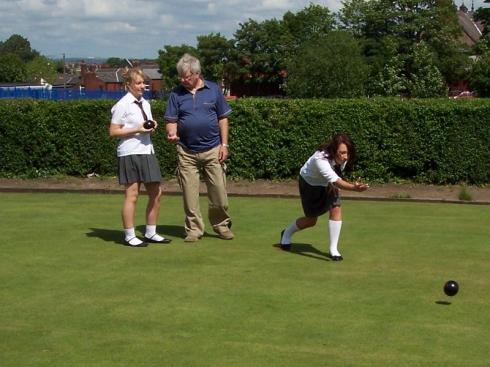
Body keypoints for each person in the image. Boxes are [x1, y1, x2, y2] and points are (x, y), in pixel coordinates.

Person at [164, 54, 233, 243]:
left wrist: (224, 144)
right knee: (189, 194)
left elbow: (223, 118)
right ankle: (194, 229)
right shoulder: (176, 94)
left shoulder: (213, 90)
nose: (182, 80)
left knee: (219, 192)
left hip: (213, 149)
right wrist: (172, 133)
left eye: (186, 76)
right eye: (180, 76)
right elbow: (171, 120)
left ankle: (221, 225)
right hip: (186, 151)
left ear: (197, 73)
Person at [279, 133, 369, 260]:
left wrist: (337, 183)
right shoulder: (319, 158)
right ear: (333, 150)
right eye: (342, 153)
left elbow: (336, 176)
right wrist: (354, 188)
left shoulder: (343, 158)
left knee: (336, 207)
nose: (345, 156)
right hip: (310, 183)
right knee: (311, 220)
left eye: (347, 153)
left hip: (328, 182)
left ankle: (333, 250)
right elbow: (337, 181)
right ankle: (286, 233)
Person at [109, 67, 171, 247]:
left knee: (156, 192)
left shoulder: (145, 103)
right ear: (128, 85)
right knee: (132, 194)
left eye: (144, 82)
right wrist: (138, 129)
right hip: (129, 152)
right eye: (138, 83)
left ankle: (151, 232)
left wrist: (151, 126)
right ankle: (129, 235)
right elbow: (113, 131)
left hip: (147, 151)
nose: (142, 86)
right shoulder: (122, 104)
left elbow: (145, 125)